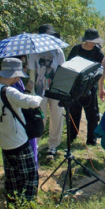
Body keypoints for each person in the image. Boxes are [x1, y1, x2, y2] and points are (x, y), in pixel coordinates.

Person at [0, 58, 43, 205]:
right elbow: (31, 102)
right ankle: (28, 206)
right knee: (30, 175)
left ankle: (13, 204)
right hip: (19, 141)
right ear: (14, 75)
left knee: (12, 177)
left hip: (4, 142)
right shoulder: (9, 91)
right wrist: (38, 97)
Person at [27, 24, 65, 156]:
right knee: (39, 117)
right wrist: (31, 92)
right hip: (39, 90)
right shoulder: (33, 52)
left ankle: (53, 145)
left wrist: (62, 89)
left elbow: (62, 70)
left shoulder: (58, 51)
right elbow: (31, 72)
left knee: (56, 116)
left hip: (55, 89)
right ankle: (35, 144)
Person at [66, 28, 104, 146]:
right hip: (76, 86)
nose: (93, 43)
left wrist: (100, 87)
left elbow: (101, 71)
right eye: (91, 40)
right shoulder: (76, 49)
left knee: (92, 113)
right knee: (74, 112)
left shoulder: (98, 53)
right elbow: (68, 66)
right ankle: (72, 136)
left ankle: (92, 139)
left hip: (90, 87)